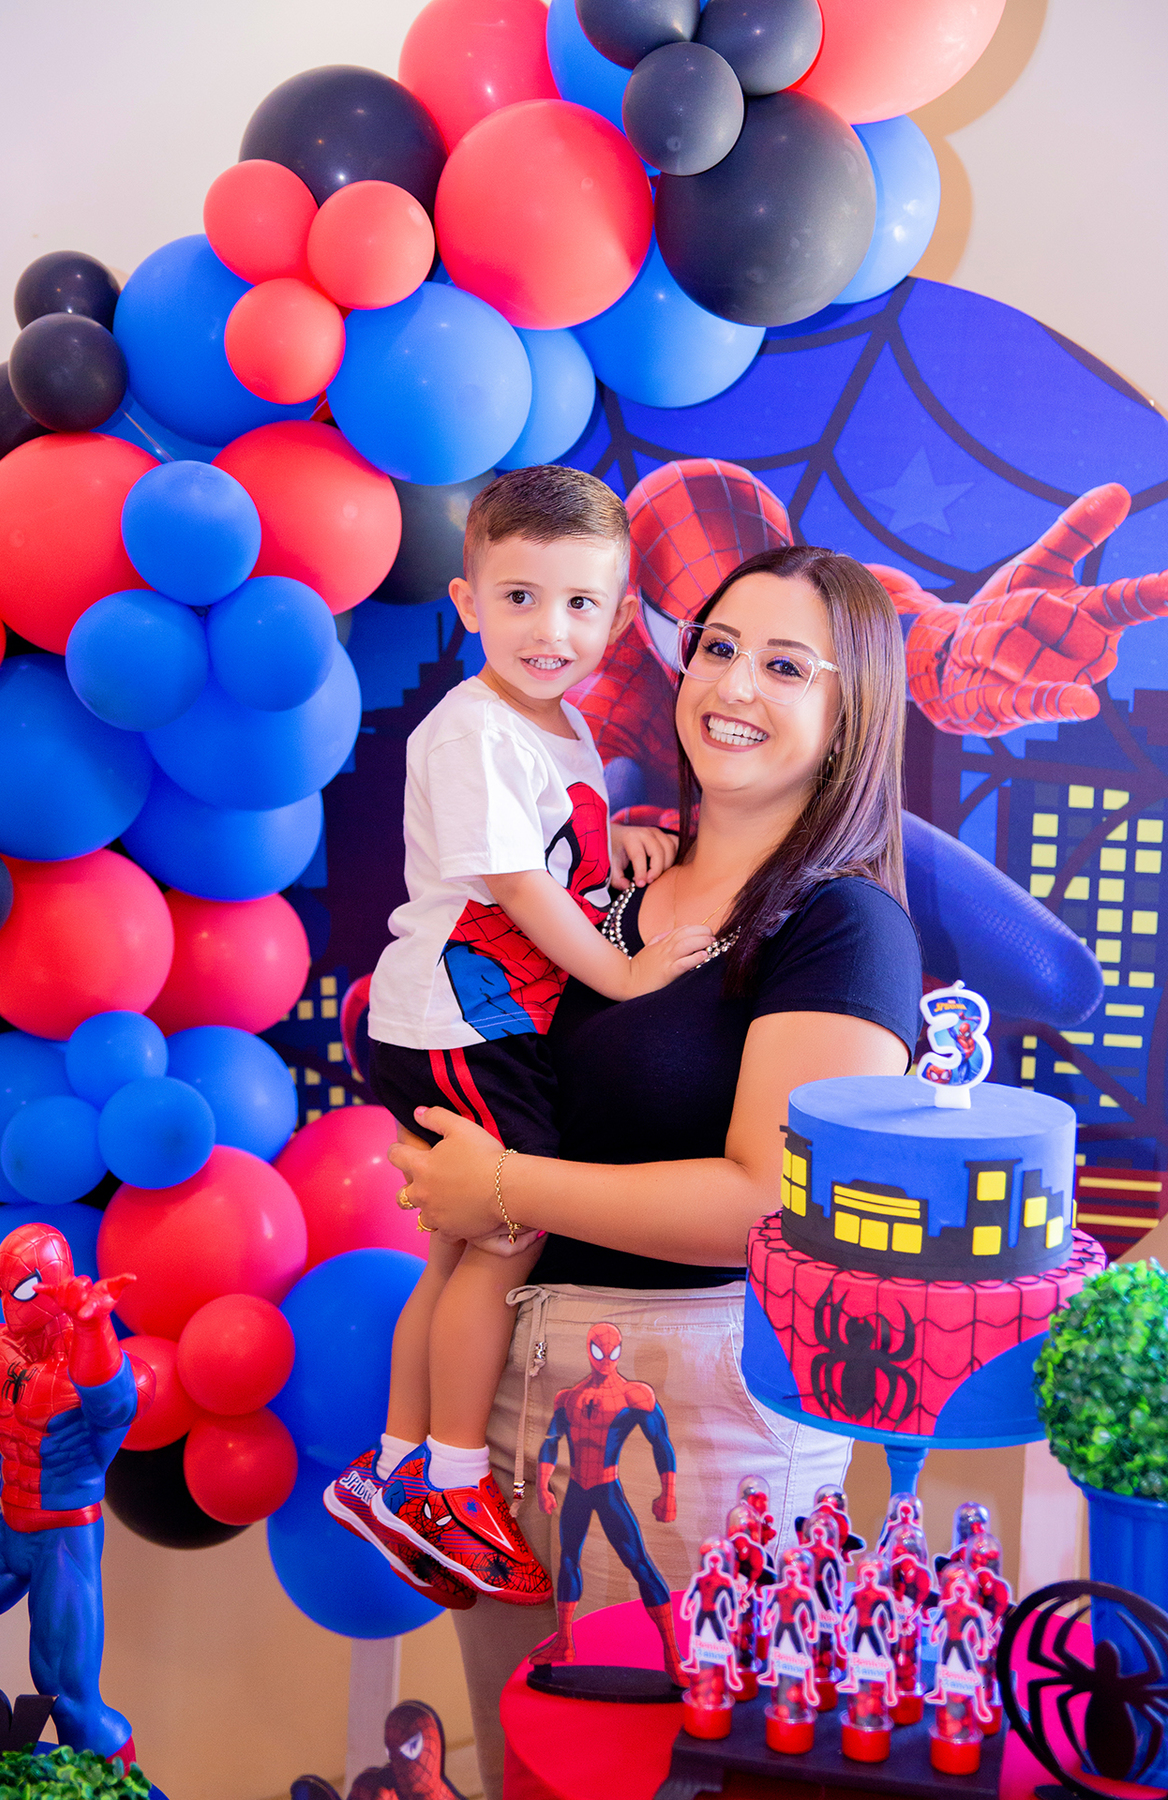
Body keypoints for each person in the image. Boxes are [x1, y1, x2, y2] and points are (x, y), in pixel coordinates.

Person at [388, 542, 924, 1797]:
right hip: (507, 1391)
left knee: (669, 1774)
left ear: (851, 720)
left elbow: (769, 1206)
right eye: (721, 646)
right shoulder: (600, 891)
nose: (733, 683)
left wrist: (503, 1190)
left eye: (786, 666)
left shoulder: (843, 925)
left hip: (704, 1417)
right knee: (526, 1762)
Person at [324, 466, 705, 1609]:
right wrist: (625, 972)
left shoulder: (560, 728)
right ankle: (449, 1479)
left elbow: (560, 863)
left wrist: (622, 845)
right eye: (522, 597)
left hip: (472, 1015)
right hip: (461, 1015)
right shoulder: (475, 730)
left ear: (621, 612)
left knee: (453, 1248)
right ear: (467, 600)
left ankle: (391, 1465)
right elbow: (517, 889)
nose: (554, 629)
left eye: (583, 603)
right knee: (507, 1231)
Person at [0, 1222, 139, 1764]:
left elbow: (113, 1406)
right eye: (7, 1287)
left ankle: (110, 1777)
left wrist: (92, 1326)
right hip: (8, 1526)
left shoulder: (91, 1365)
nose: (15, 1301)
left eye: (28, 1286)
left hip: (64, 1539)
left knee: (70, 1702)